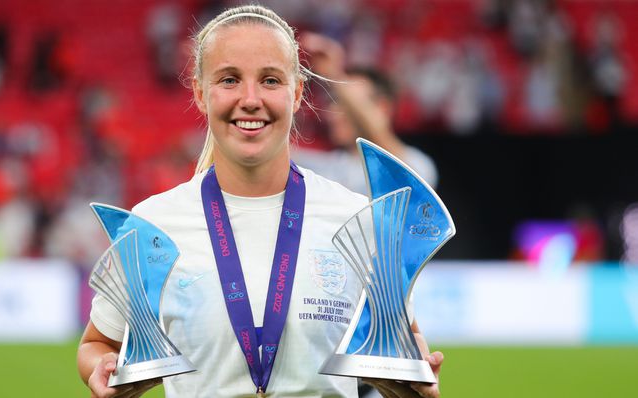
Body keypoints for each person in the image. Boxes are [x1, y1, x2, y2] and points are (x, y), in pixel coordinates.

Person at [77, 5, 443, 398]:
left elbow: (402, 341)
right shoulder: (153, 224)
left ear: (298, 92)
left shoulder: (356, 219)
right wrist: (102, 368)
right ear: (200, 93)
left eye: (270, 80)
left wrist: (411, 372)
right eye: (230, 79)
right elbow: (97, 344)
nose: (250, 100)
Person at [293, 32, 438, 194]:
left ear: (382, 109)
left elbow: (384, 145)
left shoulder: (416, 164)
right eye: (335, 103)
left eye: (349, 105)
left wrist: (333, 73)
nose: (333, 114)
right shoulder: (325, 168)